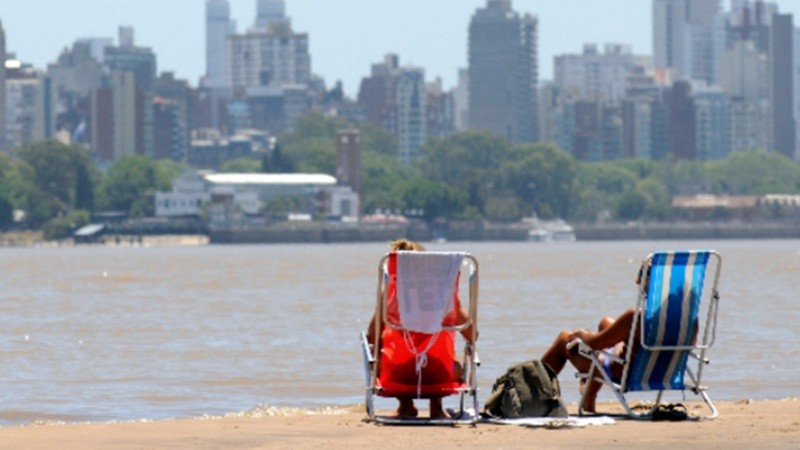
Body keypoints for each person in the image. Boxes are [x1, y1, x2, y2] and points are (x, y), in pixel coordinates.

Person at [365, 238, 476, 419]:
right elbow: (472, 334)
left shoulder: (391, 294)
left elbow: (371, 336)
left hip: (397, 375)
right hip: (442, 374)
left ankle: (405, 406)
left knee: (387, 352)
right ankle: (436, 407)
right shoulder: (444, 294)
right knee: (444, 355)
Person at [540, 259, 652, 413]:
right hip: (655, 371)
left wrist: (582, 334)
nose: (637, 281)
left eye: (641, 275)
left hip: (622, 371)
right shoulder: (682, 321)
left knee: (564, 339)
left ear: (651, 280)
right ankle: (589, 395)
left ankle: (533, 394)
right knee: (605, 323)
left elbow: (594, 343)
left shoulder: (635, 317)